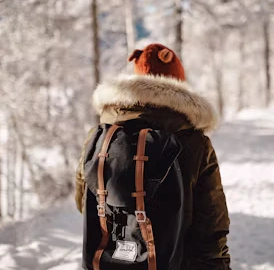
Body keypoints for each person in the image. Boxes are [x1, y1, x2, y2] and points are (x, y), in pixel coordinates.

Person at [75, 43, 231, 270]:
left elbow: (83, 202)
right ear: (178, 84)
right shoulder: (194, 142)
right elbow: (211, 223)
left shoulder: (100, 136)